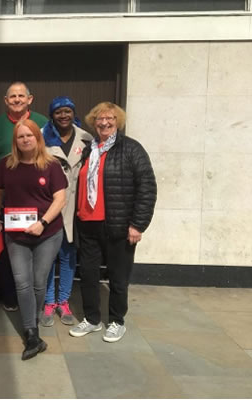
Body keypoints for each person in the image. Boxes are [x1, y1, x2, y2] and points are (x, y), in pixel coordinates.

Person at [69, 102, 156, 343]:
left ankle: (117, 321)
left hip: (118, 225)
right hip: (87, 224)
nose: (104, 123)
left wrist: (138, 224)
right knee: (87, 275)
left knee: (118, 277)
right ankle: (92, 319)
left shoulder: (131, 149)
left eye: (110, 119)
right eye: (99, 119)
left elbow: (147, 188)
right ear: (93, 122)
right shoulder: (89, 149)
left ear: (118, 121)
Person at [0, 119, 66, 360]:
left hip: (48, 233)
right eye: (20, 136)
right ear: (15, 141)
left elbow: (60, 199)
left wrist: (42, 224)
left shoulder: (51, 166)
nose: (25, 140)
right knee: (22, 282)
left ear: (37, 138)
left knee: (39, 282)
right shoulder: (6, 165)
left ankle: (34, 320)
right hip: (16, 235)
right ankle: (31, 332)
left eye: (29, 135)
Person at [0, 82, 49, 311]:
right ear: (5, 100)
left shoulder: (43, 124)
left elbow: (52, 159)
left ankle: (38, 301)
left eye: (21, 96)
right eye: (12, 96)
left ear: (30, 99)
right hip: (7, 201)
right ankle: (10, 298)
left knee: (39, 253)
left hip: (38, 202)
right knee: (10, 253)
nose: (17, 99)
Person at [41, 96, 93, 327]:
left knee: (68, 257)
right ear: (52, 115)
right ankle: (49, 302)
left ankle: (64, 301)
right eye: (58, 112)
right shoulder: (42, 138)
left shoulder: (86, 138)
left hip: (74, 207)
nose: (63, 116)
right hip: (49, 205)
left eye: (67, 111)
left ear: (73, 113)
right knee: (48, 257)